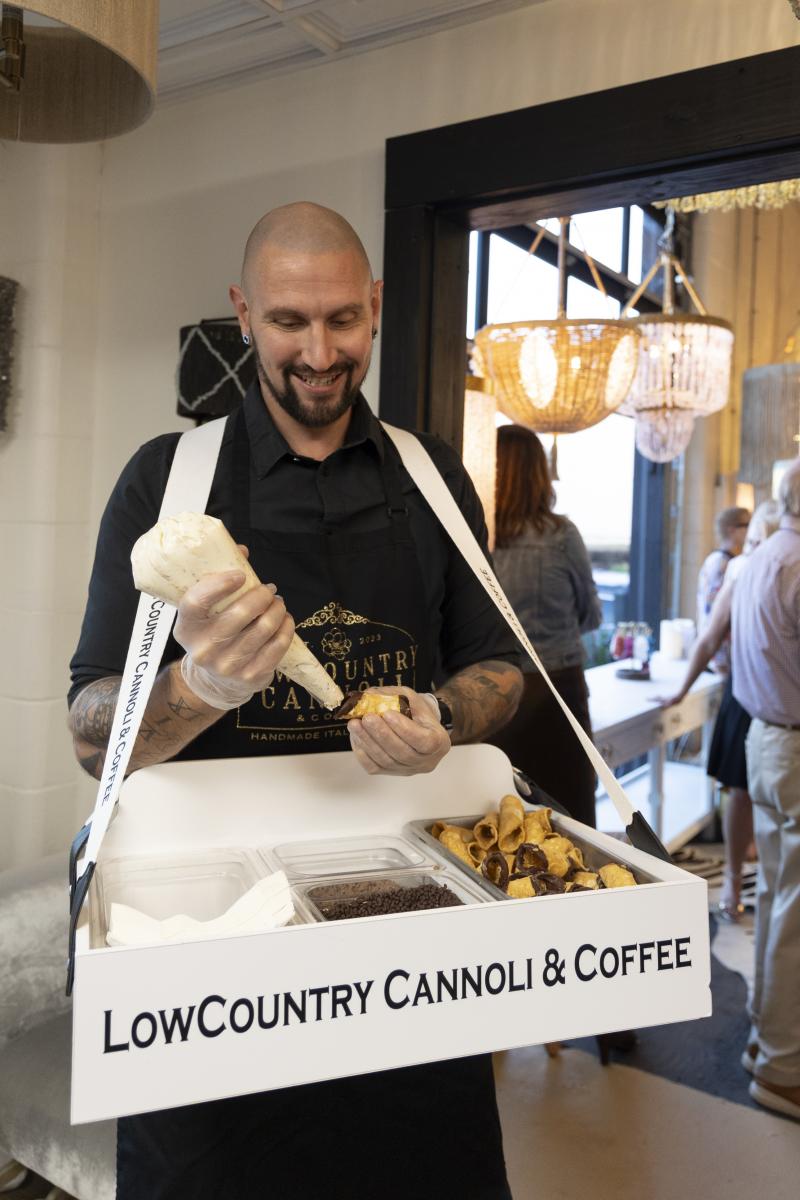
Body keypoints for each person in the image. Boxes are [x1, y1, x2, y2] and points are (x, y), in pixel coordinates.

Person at [67, 202, 523, 1198]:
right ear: (243, 314)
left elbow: (498, 667)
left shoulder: (434, 479)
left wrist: (443, 719)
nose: (319, 353)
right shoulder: (167, 482)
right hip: (210, 960)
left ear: (375, 306)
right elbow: (92, 734)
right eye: (287, 322)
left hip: (409, 950)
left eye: (342, 320)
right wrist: (198, 688)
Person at [659, 500, 781, 920]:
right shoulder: (741, 574)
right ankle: (732, 880)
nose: (757, 550)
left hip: (778, 701)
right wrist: (680, 690)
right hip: (745, 693)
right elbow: (709, 638)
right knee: (740, 792)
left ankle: (768, 882)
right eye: (754, 541)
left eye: (764, 541)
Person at [486, 424, 601, 827]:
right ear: (540, 472)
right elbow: (591, 614)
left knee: (498, 814)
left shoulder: (472, 535)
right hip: (557, 690)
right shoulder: (560, 535)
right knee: (569, 813)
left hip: (492, 693)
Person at [731, 460, 800, 1123]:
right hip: (794, 745)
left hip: (766, 739)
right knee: (792, 912)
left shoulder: (763, 555)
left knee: (779, 900)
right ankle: (783, 1069)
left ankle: (765, 1038)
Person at [695, 505, 750, 675]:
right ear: (732, 530)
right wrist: (718, 657)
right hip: (720, 657)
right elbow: (713, 613)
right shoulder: (720, 562)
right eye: (747, 525)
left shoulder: (729, 561)